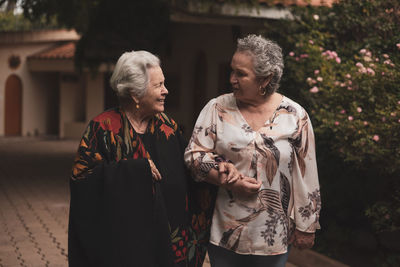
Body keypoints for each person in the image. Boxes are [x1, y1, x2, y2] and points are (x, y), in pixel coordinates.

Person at [184, 34, 321, 267]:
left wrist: (307, 225)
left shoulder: (295, 116)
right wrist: (224, 177)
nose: (232, 79)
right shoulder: (217, 108)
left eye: (241, 74)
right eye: (232, 71)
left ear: (265, 79)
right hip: (224, 230)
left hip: (274, 234)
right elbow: (193, 155)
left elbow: (307, 174)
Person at [68, 50, 210, 267]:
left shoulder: (167, 126)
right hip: (125, 251)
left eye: (164, 84)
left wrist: (217, 168)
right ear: (135, 94)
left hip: (173, 246)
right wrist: (135, 170)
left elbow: (191, 166)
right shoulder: (103, 129)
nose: (166, 91)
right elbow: (82, 182)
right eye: (158, 86)